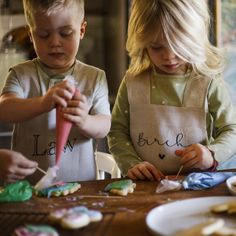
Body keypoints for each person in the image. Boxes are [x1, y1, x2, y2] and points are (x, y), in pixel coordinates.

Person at [108, 0, 236, 181]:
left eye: (178, 45)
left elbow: (232, 129)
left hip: (197, 184)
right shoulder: (133, 82)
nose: (168, 56)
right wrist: (131, 163)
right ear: (142, 42)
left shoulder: (207, 81)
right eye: (157, 47)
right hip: (143, 186)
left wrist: (211, 153)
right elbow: (117, 131)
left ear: (194, 38)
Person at [0, 0, 111, 184]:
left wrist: (85, 120)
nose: (54, 42)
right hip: (30, 190)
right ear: (31, 34)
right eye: (43, 35)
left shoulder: (94, 77)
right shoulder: (21, 74)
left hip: (81, 189)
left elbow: (104, 125)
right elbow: (4, 109)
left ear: (81, 31)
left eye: (65, 33)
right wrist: (43, 102)